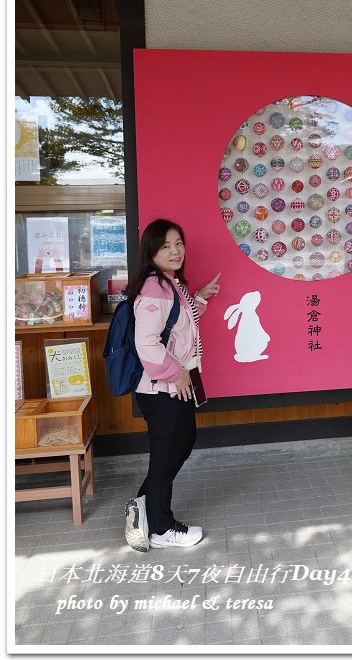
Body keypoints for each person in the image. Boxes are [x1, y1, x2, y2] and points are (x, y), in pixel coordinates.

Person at [124, 218, 221, 551]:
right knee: (167, 453)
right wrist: (174, 372)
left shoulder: (170, 283)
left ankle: (143, 505)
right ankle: (162, 528)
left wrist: (201, 298)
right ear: (151, 250)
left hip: (174, 384)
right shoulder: (156, 286)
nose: (175, 250)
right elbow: (147, 341)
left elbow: (182, 325)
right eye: (166, 245)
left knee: (182, 442)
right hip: (162, 387)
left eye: (178, 243)